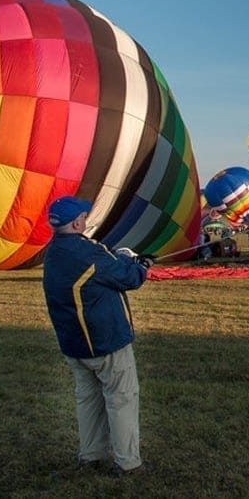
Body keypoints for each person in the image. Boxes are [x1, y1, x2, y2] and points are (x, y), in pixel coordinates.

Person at [41, 196, 153, 477]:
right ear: (78, 222)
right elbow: (129, 278)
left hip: (74, 344)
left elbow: (106, 265)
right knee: (121, 398)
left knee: (88, 400)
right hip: (105, 342)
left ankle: (91, 454)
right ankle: (128, 462)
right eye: (84, 216)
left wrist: (124, 260)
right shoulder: (89, 253)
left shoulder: (53, 252)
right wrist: (141, 266)